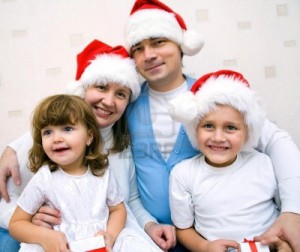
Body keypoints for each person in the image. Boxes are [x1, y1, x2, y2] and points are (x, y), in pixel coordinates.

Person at [123, 0, 300, 251]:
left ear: (181, 43)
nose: (149, 55)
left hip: (212, 240)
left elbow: (276, 141)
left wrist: (293, 210)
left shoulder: (216, 95)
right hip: (150, 240)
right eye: (138, 49)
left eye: (159, 42)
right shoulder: (125, 105)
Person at [0, 40, 163, 252]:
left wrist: (149, 225)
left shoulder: (118, 150)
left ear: (90, 139)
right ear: (83, 88)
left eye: (120, 94)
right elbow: (12, 207)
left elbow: (126, 202)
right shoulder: (44, 144)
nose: (108, 101)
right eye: (101, 87)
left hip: (101, 238)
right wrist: (35, 225)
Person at [168, 70, 292, 252]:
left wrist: (283, 244)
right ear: (195, 129)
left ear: (247, 132)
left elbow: (285, 213)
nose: (218, 137)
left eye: (230, 127)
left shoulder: (264, 163)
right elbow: (183, 228)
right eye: (208, 126)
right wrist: (205, 247)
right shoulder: (183, 174)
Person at [9, 94, 127, 252]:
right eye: (48, 132)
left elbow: (118, 209)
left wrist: (110, 235)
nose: (56, 138)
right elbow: (16, 224)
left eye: (67, 129)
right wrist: (44, 237)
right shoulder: (44, 178)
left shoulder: (102, 172)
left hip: (97, 247)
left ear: (89, 137)